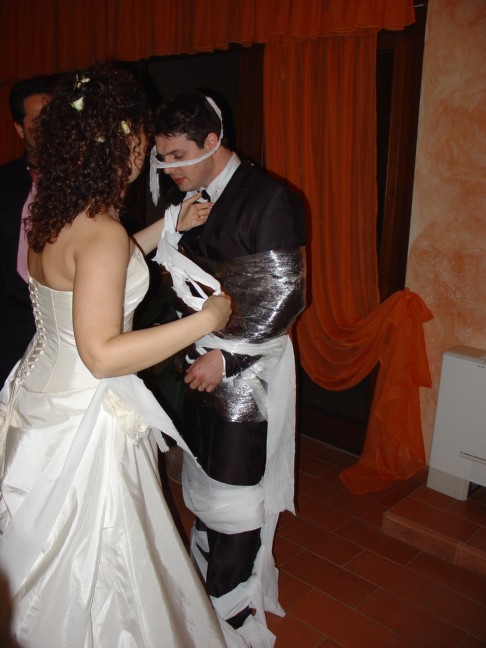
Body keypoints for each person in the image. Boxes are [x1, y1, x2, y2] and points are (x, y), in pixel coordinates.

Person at [0, 63, 242, 648]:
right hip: (83, 413)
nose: (147, 153)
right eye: (140, 138)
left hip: (41, 391)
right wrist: (207, 320)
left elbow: (101, 267)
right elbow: (103, 354)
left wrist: (169, 225)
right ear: (119, 144)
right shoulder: (100, 231)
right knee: (101, 554)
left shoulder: (55, 213)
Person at [151, 91, 307, 646]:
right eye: (162, 156)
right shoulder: (191, 197)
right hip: (199, 360)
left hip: (247, 372)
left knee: (238, 490)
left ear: (212, 141)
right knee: (204, 476)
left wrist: (229, 356)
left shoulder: (269, 199)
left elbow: (285, 295)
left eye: (177, 155)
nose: (167, 169)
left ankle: (230, 614)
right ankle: (206, 581)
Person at [0, 74, 59, 387]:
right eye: (37, 123)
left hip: (62, 324)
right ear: (20, 128)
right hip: (9, 326)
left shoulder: (80, 184)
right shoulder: (3, 184)